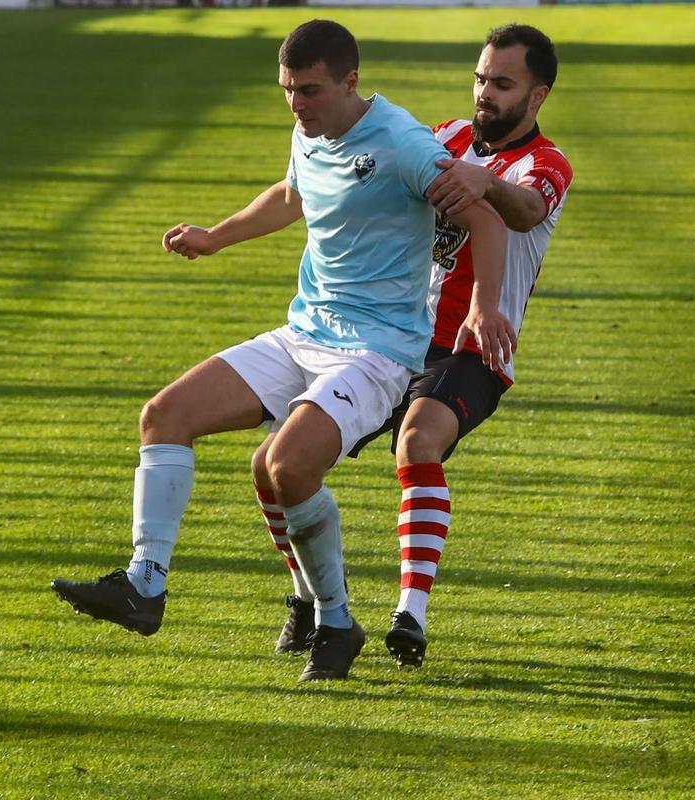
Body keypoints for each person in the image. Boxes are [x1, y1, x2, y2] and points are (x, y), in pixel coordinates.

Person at [51, 19, 514, 682]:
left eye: (310, 91)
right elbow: (292, 194)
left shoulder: (404, 144)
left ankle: (335, 619)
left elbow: (486, 217)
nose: (296, 104)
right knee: (164, 415)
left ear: (350, 82)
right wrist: (217, 236)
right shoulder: (309, 129)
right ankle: (144, 585)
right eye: (288, 90)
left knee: (286, 467)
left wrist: (484, 304)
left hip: (376, 352)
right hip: (305, 333)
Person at [255, 23, 574, 669]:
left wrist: (482, 184)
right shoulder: (447, 135)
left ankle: (410, 615)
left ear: (537, 96)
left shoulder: (545, 166)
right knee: (275, 462)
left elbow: (525, 210)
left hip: (472, 345)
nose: (485, 93)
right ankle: (306, 600)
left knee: (418, 441)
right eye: (481, 78)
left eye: (502, 84)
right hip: (388, 333)